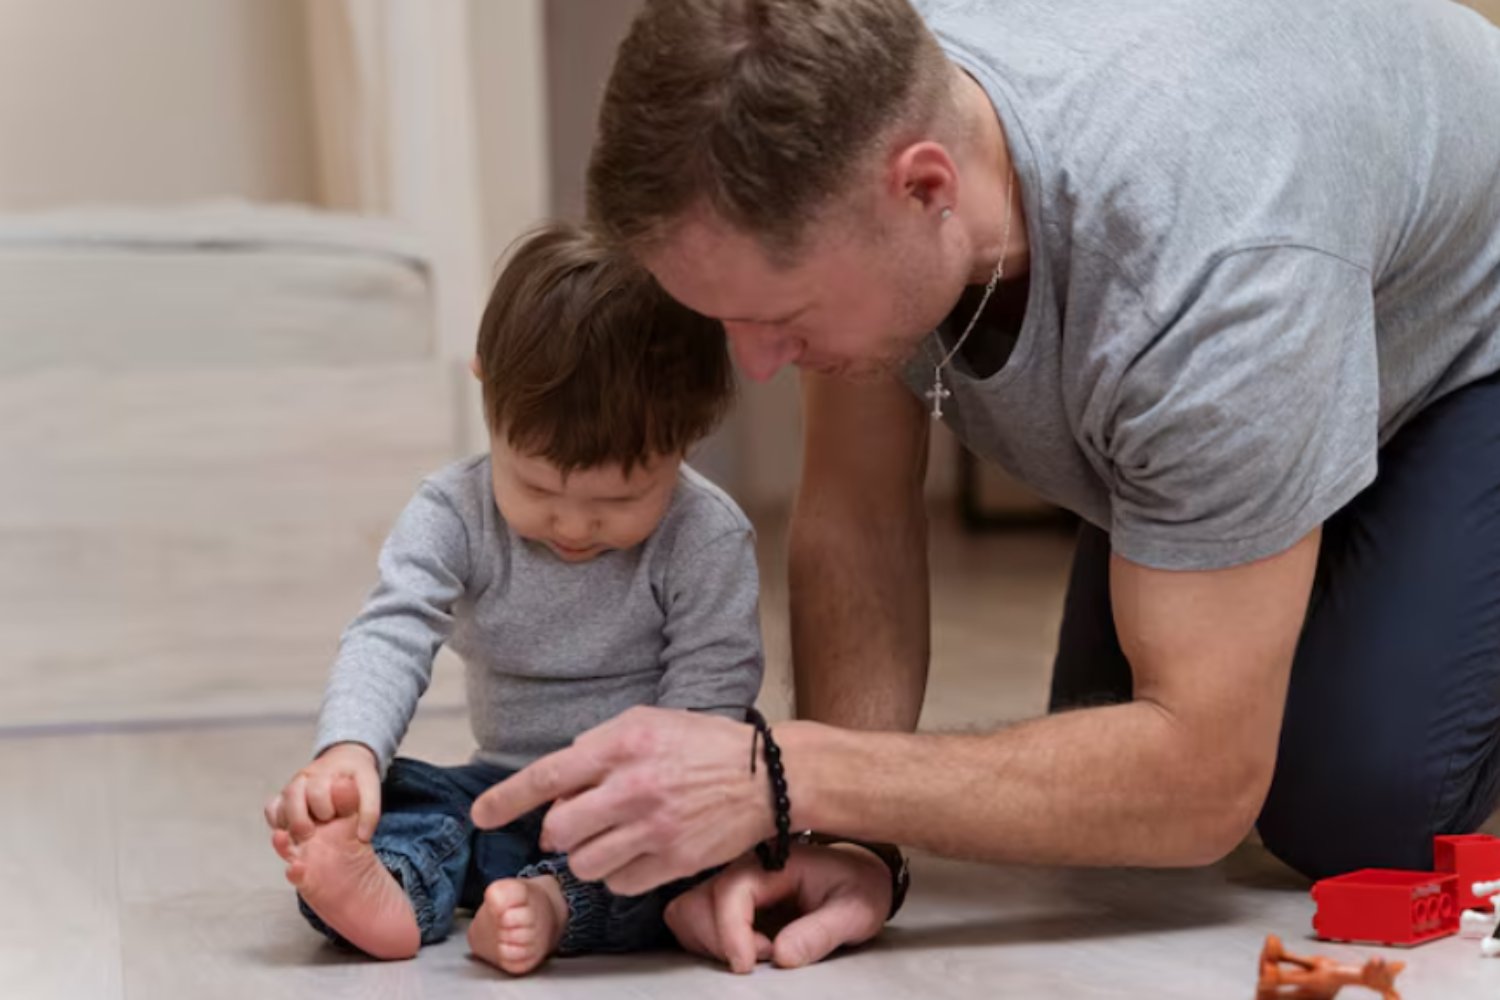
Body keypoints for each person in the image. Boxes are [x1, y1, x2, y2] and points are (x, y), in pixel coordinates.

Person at [470, 0, 1500, 974]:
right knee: (1094, 785)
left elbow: (1200, 784)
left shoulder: (1209, 265)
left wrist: (777, 775)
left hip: (1469, 335)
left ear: (925, 189)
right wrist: (847, 836)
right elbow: (858, 510)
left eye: (781, 315)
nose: (758, 366)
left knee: (1347, 802)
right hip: (1265, 310)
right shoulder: (859, 122)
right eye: (727, 318)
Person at [262, 222, 764, 974]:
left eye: (619, 499)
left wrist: (648, 815)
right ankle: (391, 891)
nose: (571, 523)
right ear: (487, 387)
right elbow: (391, 633)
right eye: (535, 486)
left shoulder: (705, 537)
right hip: (498, 789)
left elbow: (709, 704)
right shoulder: (453, 513)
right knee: (396, 802)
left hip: (637, 804)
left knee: (708, 852)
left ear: (689, 435)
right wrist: (349, 755)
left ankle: (556, 907)